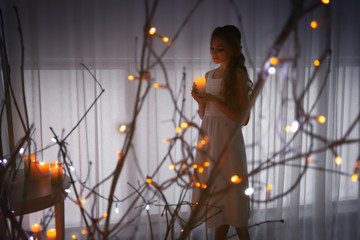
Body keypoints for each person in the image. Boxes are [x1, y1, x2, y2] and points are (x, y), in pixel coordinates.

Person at [191, 25, 252, 240]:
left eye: (220, 49)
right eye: (212, 48)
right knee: (217, 200)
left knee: (232, 196)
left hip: (227, 141)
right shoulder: (210, 75)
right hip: (209, 138)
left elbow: (243, 118)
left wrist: (214, 99)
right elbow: (205, 115)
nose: (214, 53)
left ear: (234, 49)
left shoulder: (237, 75)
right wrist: (200, 101)